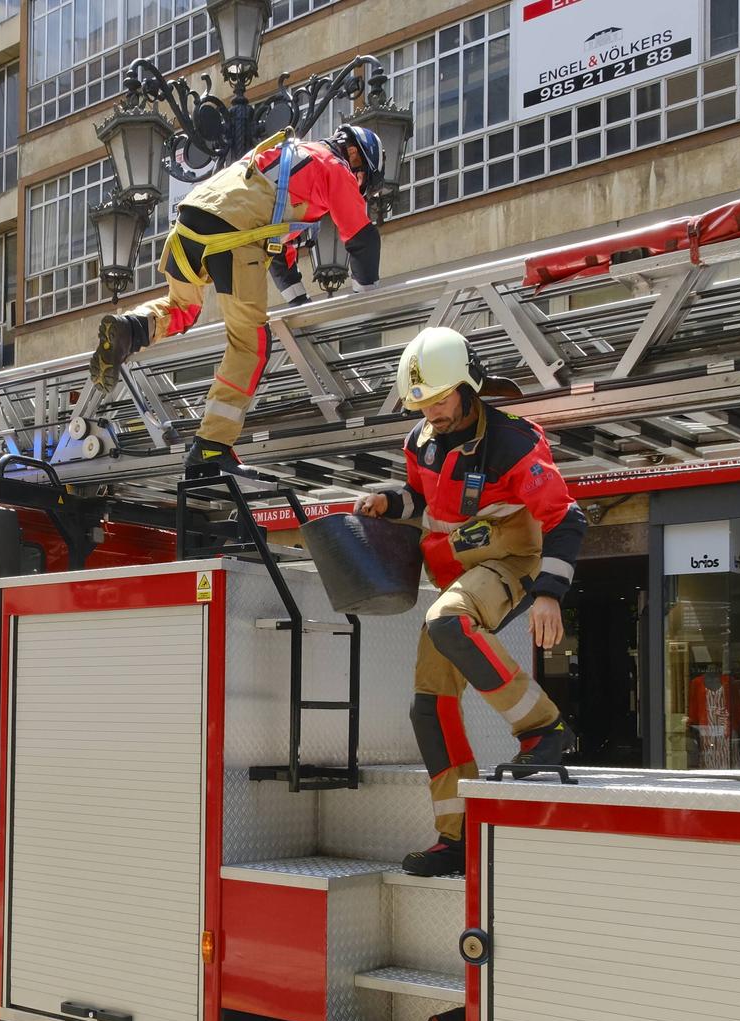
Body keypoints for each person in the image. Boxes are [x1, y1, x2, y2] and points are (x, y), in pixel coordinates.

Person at [355, 327, 586, 877]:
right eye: (420, 402)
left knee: (449, 620)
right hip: (457, 572)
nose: (429, 410)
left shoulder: (514, 443)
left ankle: (544, 731)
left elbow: (566, 518)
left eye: (438, 398)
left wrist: (551, 595)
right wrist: (391, 501)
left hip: (511, 565)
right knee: (428, 704)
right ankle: (455, 839)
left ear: (468, 385)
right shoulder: (420, 443)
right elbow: (425, 499)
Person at [88, 124, 385, 477]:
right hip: (232, 235)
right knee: (251, 344)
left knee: (183, 308)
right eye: (364, 181)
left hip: (188, 224)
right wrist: (365, 299)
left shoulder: (286, 159)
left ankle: (129, 328)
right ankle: (212, 446)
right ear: (355, 154)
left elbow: (280, 254)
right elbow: (363, 238)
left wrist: (298, 301)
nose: (360, 188)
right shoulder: (334, 166)